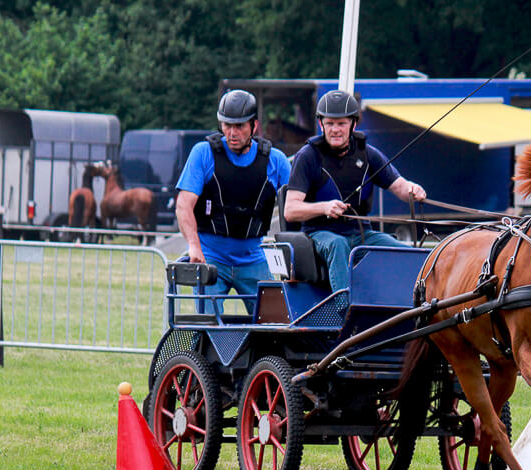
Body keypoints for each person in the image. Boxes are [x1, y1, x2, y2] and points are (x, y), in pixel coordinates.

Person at [283, 89, 426, 293]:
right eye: (330, 123)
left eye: (341, 123)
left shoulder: (368, 154)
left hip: (361, 233)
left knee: (406, 253)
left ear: (353, 124)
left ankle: (412, 307)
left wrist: (413, 189)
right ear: (321, 124)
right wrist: (324, 207)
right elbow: (290, 210)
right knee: (338, 245)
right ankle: (346, 310)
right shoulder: (307, 156)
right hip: (319, 234)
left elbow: (399, 186)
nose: (335, 129)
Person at [175, 89, 291, 313]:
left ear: (254, 126)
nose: (232, 132)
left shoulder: (276, 161)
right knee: (208, 330)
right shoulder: (203, 153)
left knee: (276, 323)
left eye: (239, 126)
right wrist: (193, 246)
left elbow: (294, 208)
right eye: (227, 125)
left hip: (253, 258)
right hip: (210, 257)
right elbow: (183, 205)